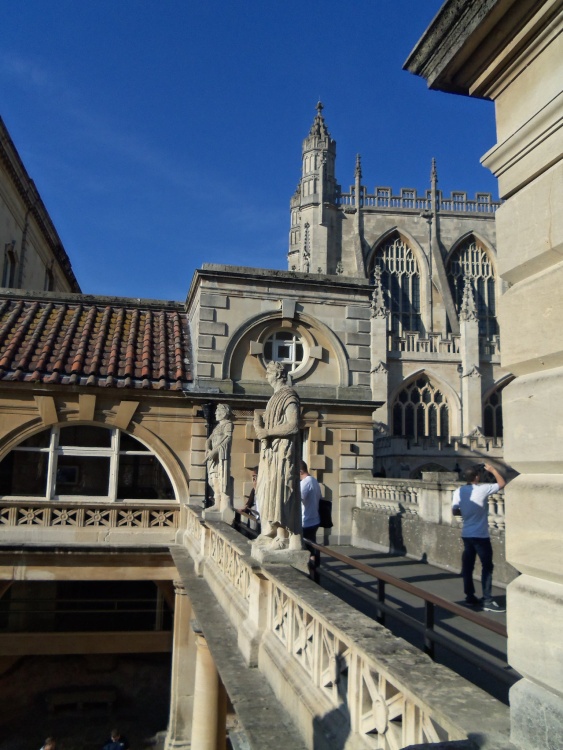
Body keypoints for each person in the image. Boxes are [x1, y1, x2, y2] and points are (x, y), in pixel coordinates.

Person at [253, 361, 301, 549]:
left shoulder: (289, 395)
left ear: (278, 375)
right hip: (271, 454)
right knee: (267, 491)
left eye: (269, 372)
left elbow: (293, 425)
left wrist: (268, 432)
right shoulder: (273, 397)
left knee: (280, 492)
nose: (266, 376)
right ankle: (271, 532)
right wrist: (260, 422)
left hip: (282, 454)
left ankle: (283, 537)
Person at [452, 462, 507, 612]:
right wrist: (493, 470)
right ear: (477, 477)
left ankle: (469, 597)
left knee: (468, 567)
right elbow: (502, 483)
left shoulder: (458, 491)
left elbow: (455, 511)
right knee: (487, 567)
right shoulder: (482, 489)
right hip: (481, 536)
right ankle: (487, 600)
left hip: (467, 534)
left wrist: (467, 513)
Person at [205, 403, 234, 511]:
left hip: (220, 457)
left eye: (218, 411)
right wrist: (208, 449)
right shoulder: (217, 427)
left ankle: (219, 504)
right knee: (212, 479)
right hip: (213, 457)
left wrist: (215, 451)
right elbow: (209, 440)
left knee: (218, 478)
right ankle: (217, 502)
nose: (215, 413)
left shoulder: (228, 424)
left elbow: (227, 439)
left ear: (224, 413)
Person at [300, 460, 322, 576]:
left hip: (306, 521)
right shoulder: (314, 480)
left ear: (300, 471)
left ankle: (312, 573)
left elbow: (299, 498)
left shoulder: (305, 482)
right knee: (312, 547)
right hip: (314, 519)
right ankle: (314, 572)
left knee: (307, 549)